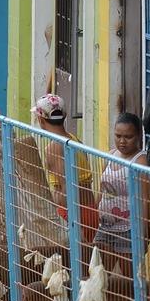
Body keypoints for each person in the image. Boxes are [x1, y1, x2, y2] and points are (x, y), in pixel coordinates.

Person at [33, 93, 97, 243]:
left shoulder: (54, 147)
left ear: (41, 120)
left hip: (73, 215)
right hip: (90, 210)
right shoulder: (74, 140)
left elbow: (67, 191)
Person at [94, 112, 147, 258]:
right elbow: (101, 190)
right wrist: (93, 214)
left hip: (129, 229)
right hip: (104, 227)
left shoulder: (141, 161)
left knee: (127, 278)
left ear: (138, 137)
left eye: (128, 137)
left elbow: (144, 200)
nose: (122, 141)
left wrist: (143, 234)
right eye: (118, 136)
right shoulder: (110, 155)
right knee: (97, 271)